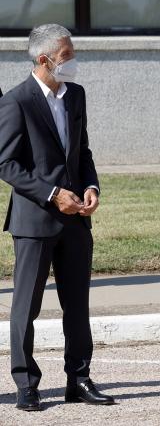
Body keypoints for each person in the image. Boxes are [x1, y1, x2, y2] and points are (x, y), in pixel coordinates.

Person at [0, 24, 114, 411]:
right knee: (26, 308)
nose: (73, 61)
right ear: (44, 59)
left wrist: (91, 187)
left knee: (77, 305)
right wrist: (52, 194)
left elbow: (83, 151)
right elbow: (6, 164)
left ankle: (79, 380)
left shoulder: (75, 95)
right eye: (67, 55)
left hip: (76, 220)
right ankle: (26, 384)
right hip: (34, 221)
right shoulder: (16, 101)